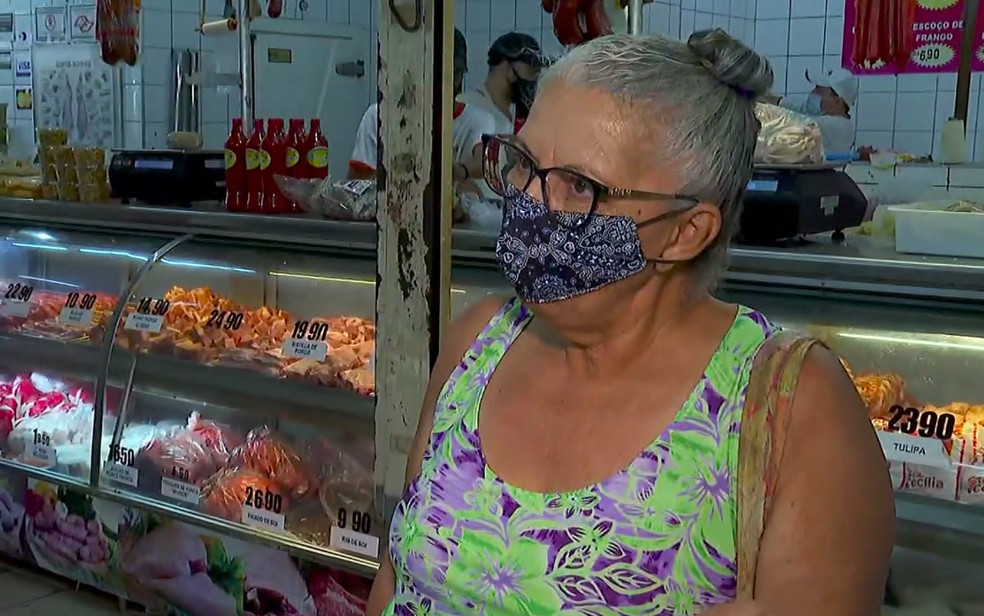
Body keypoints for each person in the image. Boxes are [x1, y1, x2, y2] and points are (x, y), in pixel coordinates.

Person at [368, 29, 894, 616]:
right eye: (523, 163)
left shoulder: (791, 408)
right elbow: (395, 576)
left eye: (579, 185)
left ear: (684, 232)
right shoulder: (479, 341)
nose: (531, 202)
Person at [348, 28, 495, 185]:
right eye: (436, 73)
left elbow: (484, 161)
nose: (449, 82)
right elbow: (357, 185)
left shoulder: (478, 121)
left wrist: (460, 171)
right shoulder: (379, 117)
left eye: (456, 73)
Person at [457, 31, 543, 135]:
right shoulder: (466, 105)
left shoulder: (519, 115)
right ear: (509, 68)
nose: (533, 78)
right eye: (531, 70)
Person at [775, 68, 858, 153]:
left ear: (837, 101)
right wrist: (775, 100)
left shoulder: (833, 125)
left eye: (818, 89)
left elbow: (783, 123)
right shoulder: (843, 122)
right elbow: (801, 107)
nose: (813, 93)